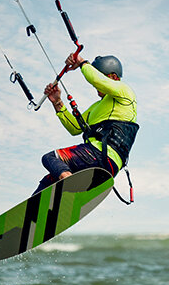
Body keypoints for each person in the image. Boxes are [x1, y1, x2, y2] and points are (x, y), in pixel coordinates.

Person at [33, 53, 139, 194]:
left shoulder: (125, 92)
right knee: (50, 179)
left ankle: (68, 182)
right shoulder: (96, 107)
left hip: (100, 155)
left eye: (101, 75)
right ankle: (34, 211)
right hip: (100, 163)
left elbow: (96, 80)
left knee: (50, 158)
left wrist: (82, 62)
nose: (96, 86)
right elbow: (75, 128)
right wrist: (57, 102)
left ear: (113, 77)